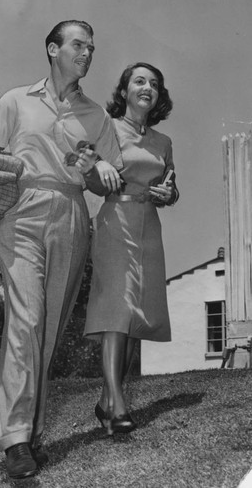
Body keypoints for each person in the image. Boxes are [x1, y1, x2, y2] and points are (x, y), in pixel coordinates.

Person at [0, 21, 123, 479]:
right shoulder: (14, 101)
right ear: (52, 49)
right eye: (79, 45)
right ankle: (16, 437)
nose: (87, 53)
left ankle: (30, 433)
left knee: (49, 327)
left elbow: (107, 181)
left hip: (71, 212)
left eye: (91, 48)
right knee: (27, 317)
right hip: (19, 210)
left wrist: (95, 166)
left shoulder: (97, 116)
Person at [84, 62, 178, 436]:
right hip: (115, 221)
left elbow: (171, 186)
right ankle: (118, 406)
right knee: (116, 309)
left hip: (149, 228)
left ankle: (107, 400)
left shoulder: (163, 142)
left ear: (158, 96)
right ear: (124, 91)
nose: (147, 87)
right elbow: (91, 179)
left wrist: (169, 193)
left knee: (135, 314)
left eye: (154, 83)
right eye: (139, 81)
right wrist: (96, 170)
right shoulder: (106, 129)